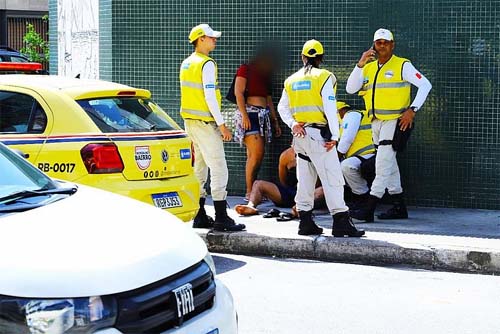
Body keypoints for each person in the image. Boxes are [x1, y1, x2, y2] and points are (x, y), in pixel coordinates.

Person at [277, 39, 364, 237]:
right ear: (321, 58)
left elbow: (283, 107)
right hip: (320, 137)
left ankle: (305, 221)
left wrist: (293, 124)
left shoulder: (291, 80)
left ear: (303, 57)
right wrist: (335, 135)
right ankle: (341, 221)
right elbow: (330, 108)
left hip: (300, 137)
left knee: (305, 179)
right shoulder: (325, 77)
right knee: (333, 179)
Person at [346, 28, 432, 222]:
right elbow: (350, 89)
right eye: (378, 42)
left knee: (382, 165)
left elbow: (425, 85)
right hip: (376, 123)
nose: (382, 45)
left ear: (392, 44)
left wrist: (412, 110)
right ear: (374, 45)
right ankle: (399, 206)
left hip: (395, 122)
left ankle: (369, 209)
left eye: (386, 42)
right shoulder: (368, 67)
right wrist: (360, 64)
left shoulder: (402, 65)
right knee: (389, 164)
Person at [180, 23, 245, 231]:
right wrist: (222, 125)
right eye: (211, 37)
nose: (214, 40)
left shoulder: (187, 63)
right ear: (200, 39)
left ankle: (199, 215)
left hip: (190, 123)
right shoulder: (206, 64)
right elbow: (209, 96)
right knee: (219, 168)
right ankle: (221, 216)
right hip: (206, 124)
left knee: (199, 168)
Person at [233, 48, 282, 199]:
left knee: (257, 155)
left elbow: (268, 100)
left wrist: (275, 122)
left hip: (263, 117)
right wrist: (244, 115)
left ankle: (254, 190)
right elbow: (238, 92)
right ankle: (249, 191)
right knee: (256, 154)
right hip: (249, 114)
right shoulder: (245, 69)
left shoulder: (265, 76)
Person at [233, 146, 325, 217]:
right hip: (291, 192)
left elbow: (321, 181)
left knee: (323, 190)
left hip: (310, 194)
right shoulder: (286, 156)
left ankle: (300, 208)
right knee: (258, 184)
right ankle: (251, 206)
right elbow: (283, 179)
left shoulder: (318, 155)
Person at [336, 101, 376, 209]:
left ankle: (363, 197)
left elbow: (347, 140)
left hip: (369, 155)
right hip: (361, 156)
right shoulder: (346, 119)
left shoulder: (352, 115)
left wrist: (337, 157)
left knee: (346, 166)